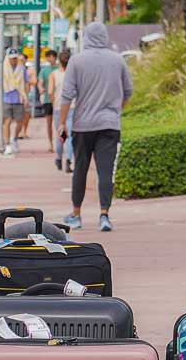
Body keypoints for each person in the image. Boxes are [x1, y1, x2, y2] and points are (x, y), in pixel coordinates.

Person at [57, 22, 133, 232]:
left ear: (87, 37)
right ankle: (104, 215)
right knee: (105, 171)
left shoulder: (77, 61)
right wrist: (116, 111)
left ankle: (76, 214)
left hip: (83, 125)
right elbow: (128, 91)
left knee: (80, 169)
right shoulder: (117, 60)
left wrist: (62, 123)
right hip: (109, 125)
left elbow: (67, 95)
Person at [1, 53, 26, 156]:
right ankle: (7, 144)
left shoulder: (22, 69)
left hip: (19, 98)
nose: (13, 60)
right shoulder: (3, 69)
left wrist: (26, 97)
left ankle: (14, 138)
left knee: (20, 122)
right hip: (6, 99)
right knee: (7, 122)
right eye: (11, 58)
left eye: (15, 58)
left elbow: (26, 83)